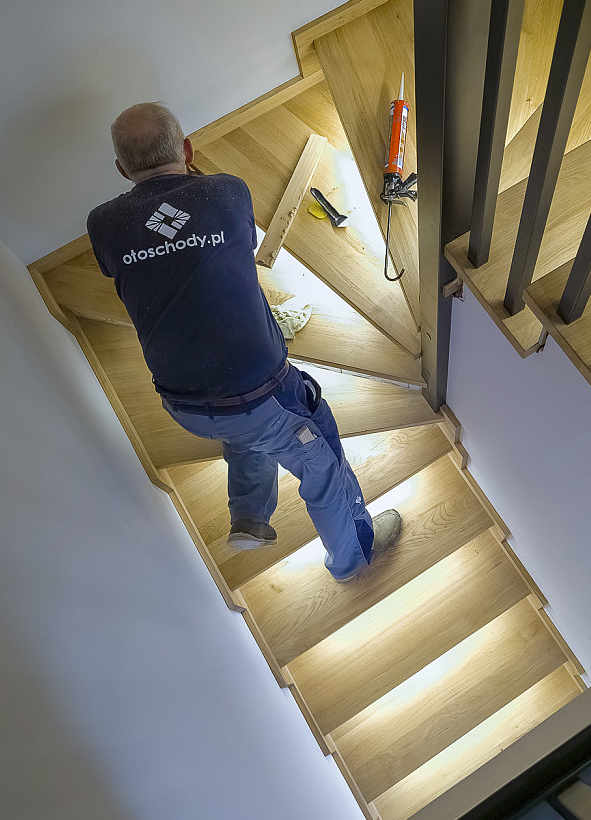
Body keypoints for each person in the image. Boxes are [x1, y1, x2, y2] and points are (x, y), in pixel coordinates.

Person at [87, 101, 402, 581]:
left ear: (121, 170)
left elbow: (124, 261)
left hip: (183, 406)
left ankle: (250, 514)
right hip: (258, 398)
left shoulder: (103, 223)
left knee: (247, 422)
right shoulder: (227, 192)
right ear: (188, 149)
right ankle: (353, 557)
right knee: (323, 462)